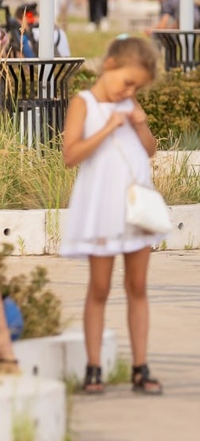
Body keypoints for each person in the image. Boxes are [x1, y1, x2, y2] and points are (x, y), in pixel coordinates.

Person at [60, 36, 165, 395]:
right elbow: (70, 154)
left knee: (137, 287)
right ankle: (94, 368)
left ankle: (140, 365)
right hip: (101, 207)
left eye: (136, 86)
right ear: (109, 66)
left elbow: (149, 151)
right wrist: (106, 128)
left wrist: (139, 122)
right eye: (127, 82)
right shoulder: (83, 103)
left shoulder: (130, 103)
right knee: (99, 288)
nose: (129, 90)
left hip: (135, 207)